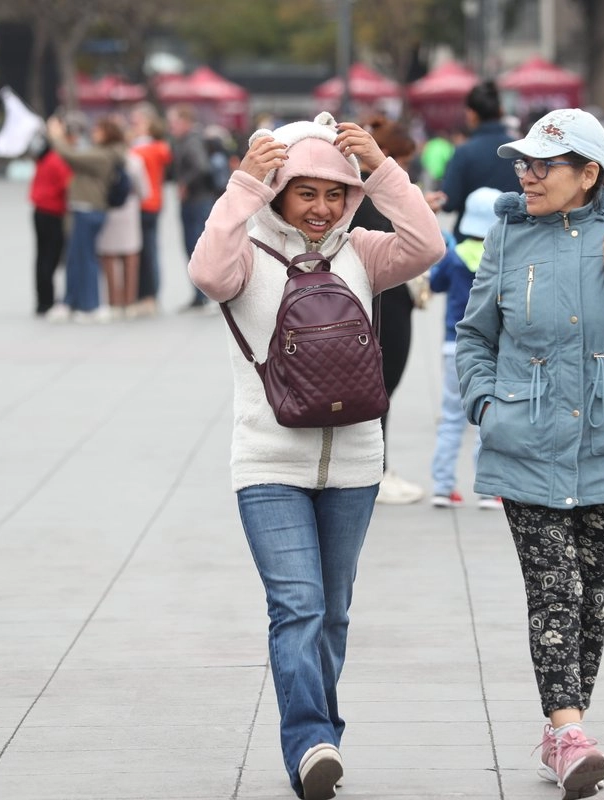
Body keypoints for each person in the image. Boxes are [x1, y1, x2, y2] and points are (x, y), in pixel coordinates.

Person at [187, 112, 444, 800]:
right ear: (279, 192)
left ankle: (320, 731)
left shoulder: (362, 249)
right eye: (306, 193)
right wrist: (243, 184)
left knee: (332, 612)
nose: (321, 208)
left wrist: (383, 171)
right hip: (269, 462)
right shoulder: (245, 251)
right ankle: (311, 742)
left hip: (356, 463)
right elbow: (206, 271)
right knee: (296, 606)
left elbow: (427, 243)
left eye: (335, 193)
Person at [454, 108, 604, 799]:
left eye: (542, 165)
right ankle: (567, 731)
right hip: (524, 443)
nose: (526, 176)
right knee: (554, 594)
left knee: (592, 603)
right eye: (522, 164)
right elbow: (474, 336)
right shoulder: (506, 232)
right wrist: (485, 405)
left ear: (588, 175)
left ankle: (563, 731)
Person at [348, 116, 426, 505]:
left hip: (388, 300)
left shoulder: (367, 192)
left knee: (382, 389)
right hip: (384, 303)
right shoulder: (365, 192)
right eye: (405, 161)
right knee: (380, 387)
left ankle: (376, 468)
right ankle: (374, 470)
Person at [428, 186, 500, 509]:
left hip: (452, 345)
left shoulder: (454, 255)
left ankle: (442, 487)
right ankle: (488, 489)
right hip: (489, 350)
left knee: (451, 417)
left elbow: (434, 284)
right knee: (489, 418)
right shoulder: (500, 257)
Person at [46, 114, 121, 323]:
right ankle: (72, 301)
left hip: (90, 209)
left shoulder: (104, 155)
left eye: (99, 130)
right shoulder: (101, 152)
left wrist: (56, 136)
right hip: (83, 209)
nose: (94, 133)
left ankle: (90, 305)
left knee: (86, 259)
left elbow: (71, 156)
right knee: (75, 258)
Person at [426, 80, 522, 235]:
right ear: (501, 110)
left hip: (471, 238)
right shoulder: (518, 149)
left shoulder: (464, 152)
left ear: (471, 114)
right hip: (513, 235)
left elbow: (450, 202)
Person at [168, 105, 217, 309]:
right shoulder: (188, 141)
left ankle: (203, 295)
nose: (171, 127)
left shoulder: (192, 142)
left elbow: (201, 166)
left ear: (186, 122)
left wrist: (185, 183)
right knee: (193, 246)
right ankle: (199, 295)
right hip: (197, 200)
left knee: (195, 246)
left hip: (197, 201)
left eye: (174, 122)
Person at [96, 136, 148, 318]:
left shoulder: (100, 159)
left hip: (108, 212)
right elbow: (144, 191)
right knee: (130, 257)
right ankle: (129, 302)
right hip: (129, 212)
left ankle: (113, 302)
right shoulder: (134, 161)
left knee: (109, 258)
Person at [130, 107, 173, 315]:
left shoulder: (142, 148)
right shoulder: (159, 147)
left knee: (145, 251)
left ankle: (148, 296)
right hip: (154, 201)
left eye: (137, 122)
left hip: (143, 202)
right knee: (150, 249)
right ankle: (151, 295)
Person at [29, 139, 73, 316]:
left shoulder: (44, 160)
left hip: (40, 210)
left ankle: (43, 299)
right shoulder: (56, 160)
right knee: (51, 257)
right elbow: (67, 185)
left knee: (41, 256)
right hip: (53, 212)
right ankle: (46, 299)